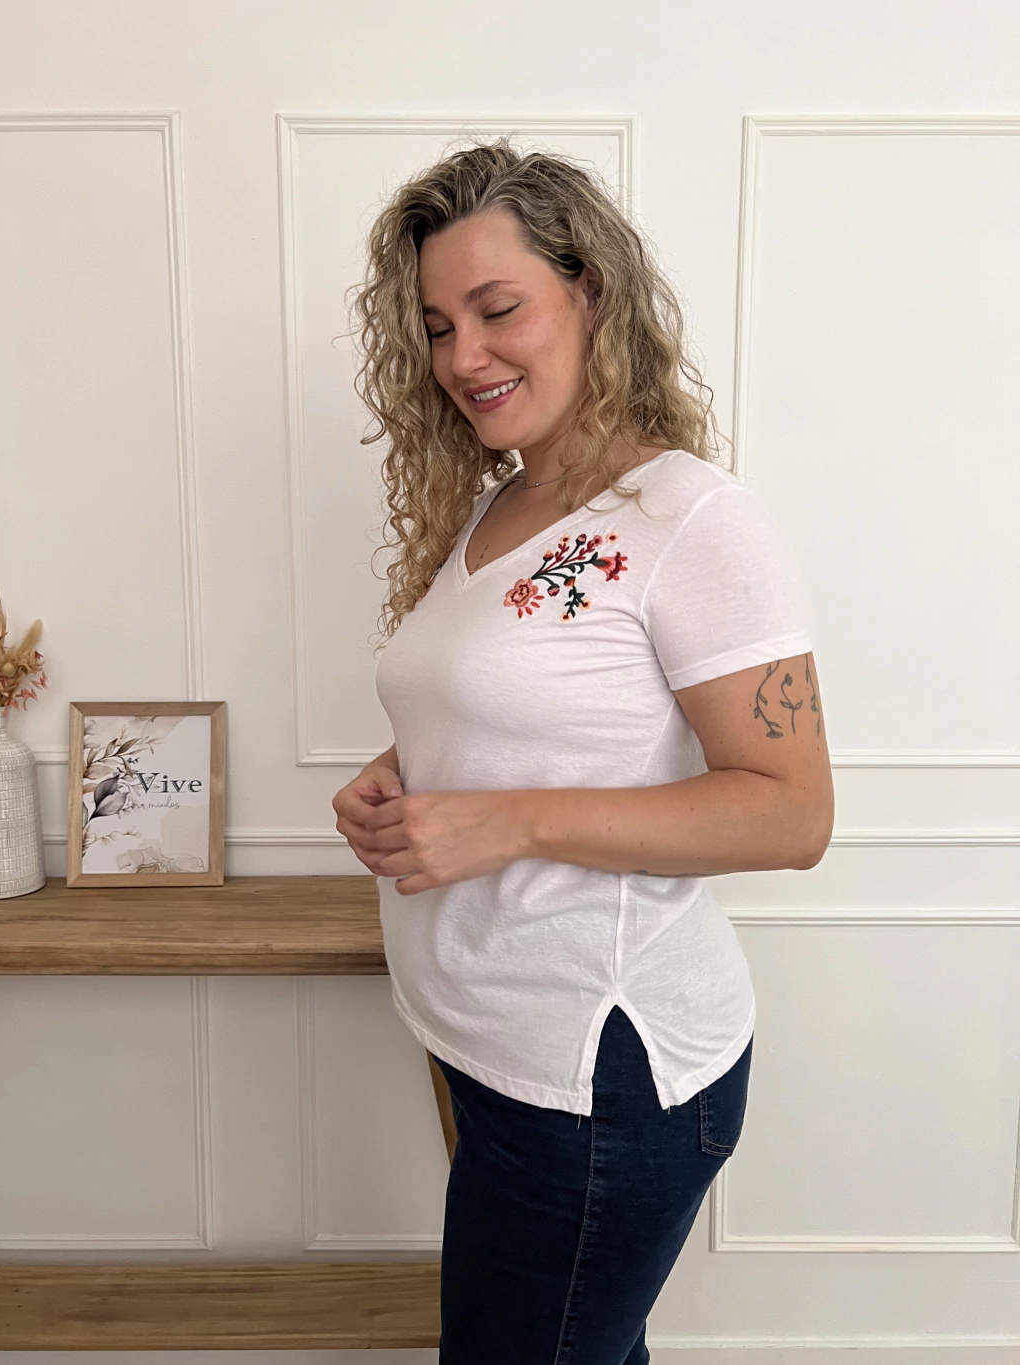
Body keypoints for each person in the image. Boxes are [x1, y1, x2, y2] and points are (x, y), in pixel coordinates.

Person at [331, 136, 834, 1364]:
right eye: (437, 326)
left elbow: (790, 813)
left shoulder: (692, 521)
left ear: (590, 293)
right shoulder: (499, 504)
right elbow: (533, 710)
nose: (463, 356)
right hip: (493, 1046)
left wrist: (505, 820)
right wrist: (408, 766)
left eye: (496, 310)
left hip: (602, 1077)